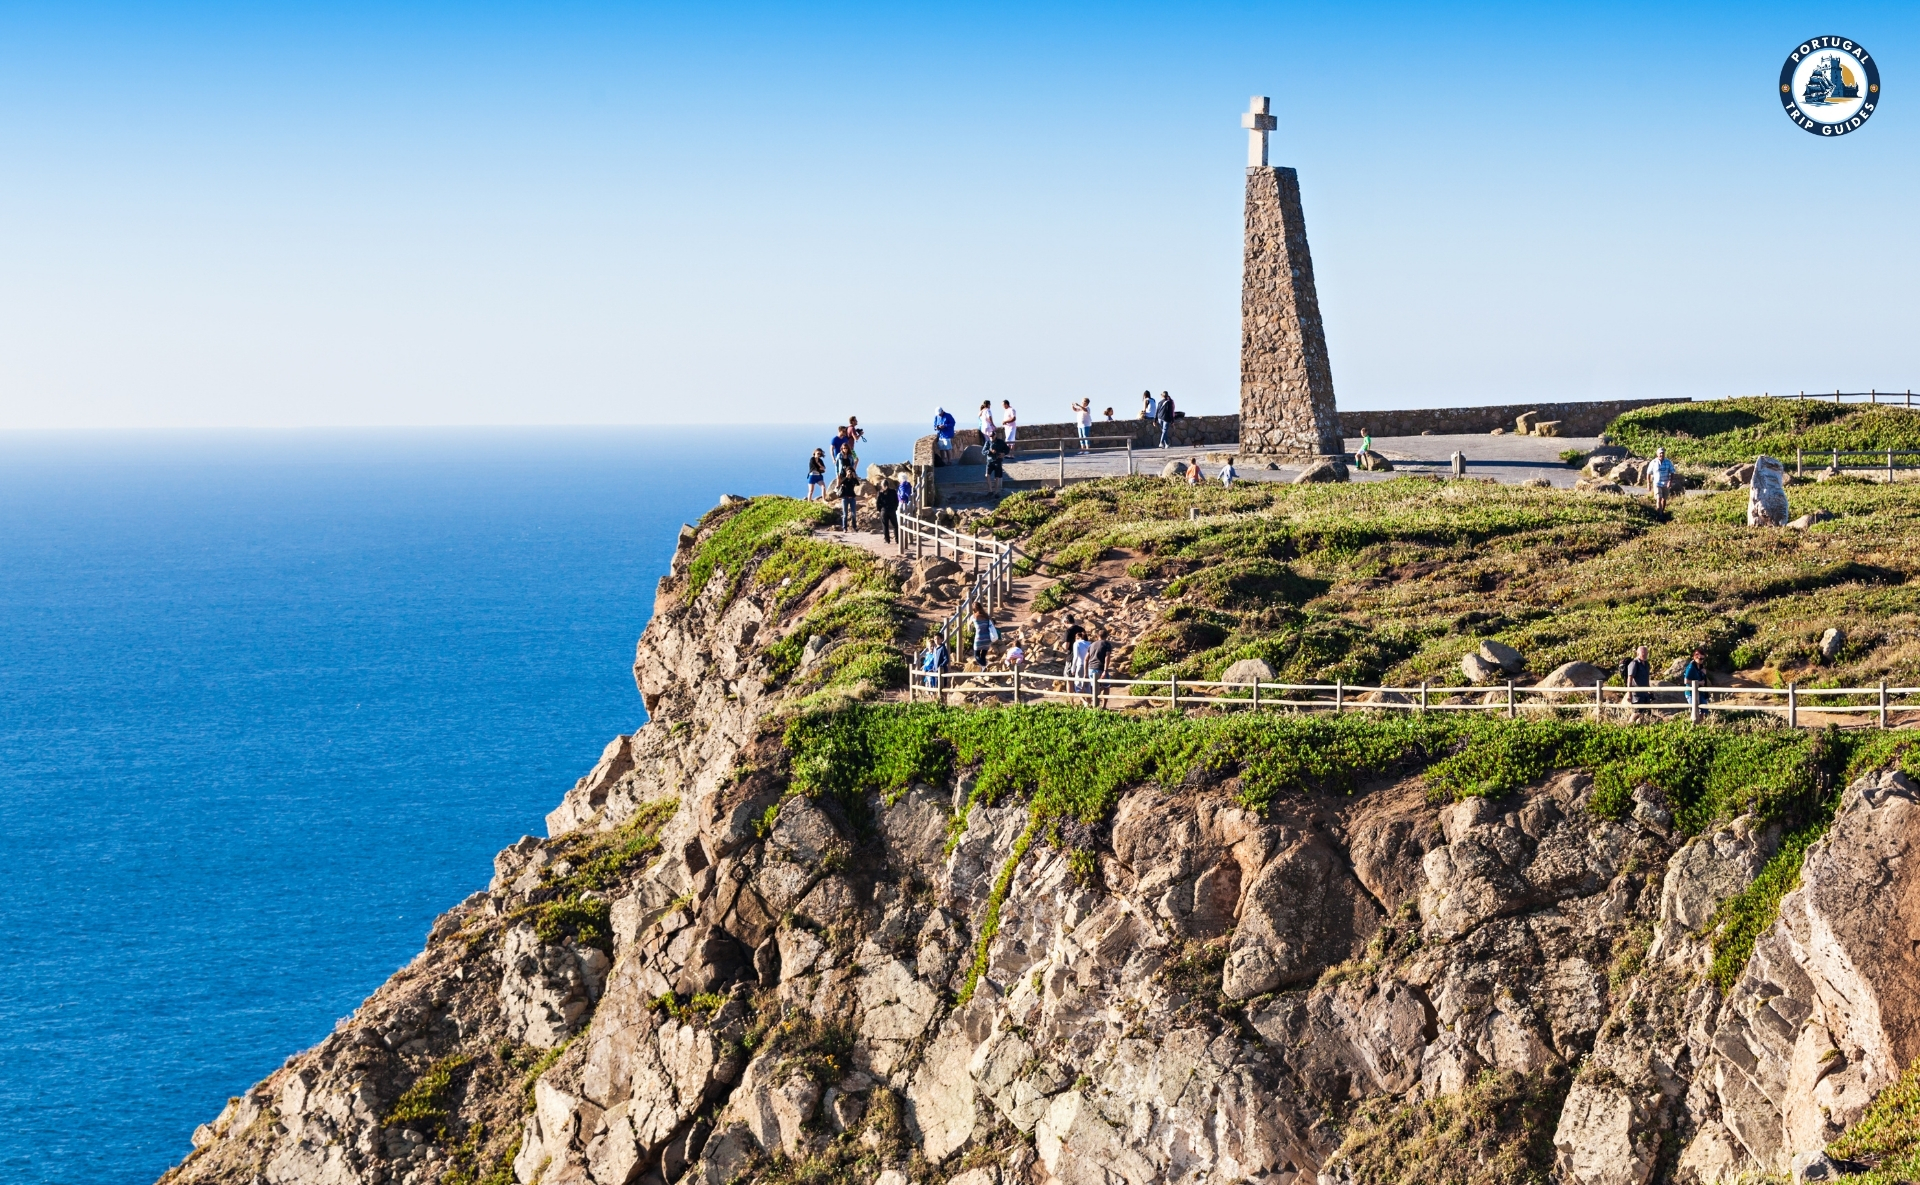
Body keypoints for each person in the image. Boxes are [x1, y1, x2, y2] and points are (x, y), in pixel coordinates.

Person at [1085, 629, 1111, 706]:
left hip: (1091, 668)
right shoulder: (1107, 644)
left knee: (1095, 688)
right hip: (1100, 668)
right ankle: (1104, 706)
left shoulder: (1091, 645)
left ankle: (1095, 705)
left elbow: (1086, 659)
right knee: (1106, 687)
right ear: (1106, 636)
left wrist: (1085, 672)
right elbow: (1107, 657)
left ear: (1097, 636)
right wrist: (1105, 670)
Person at [969, 602, 997, 668]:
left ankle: (984, 666)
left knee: (976, 655)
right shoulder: (987, 616)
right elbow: (992, 623)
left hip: (979, 638)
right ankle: (983, 670)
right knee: (983, 656)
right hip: (988, 638)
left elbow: (969, 624)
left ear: (973, 609)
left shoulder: (973, 616)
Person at [1652, 447, 1676, 512]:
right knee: (1658, 498)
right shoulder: (1653, 462)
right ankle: (1659, 513)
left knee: (1664, 499)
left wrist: (1670, 481)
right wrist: (1648, 483)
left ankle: (1662, 511)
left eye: (1663, 453)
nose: (1661, 454)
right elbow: (1648, 472)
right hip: (1657, 483)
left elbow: (1672, 472)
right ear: (1657, 454)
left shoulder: (1668, 462)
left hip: (1665, 483)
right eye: (1660, 453)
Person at [836, 467, 859, 532]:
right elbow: (841, 483)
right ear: (846, 472)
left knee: (853, 514)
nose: (850, 473)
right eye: (849, 471)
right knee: (845, 514)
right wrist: (846, 476)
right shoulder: (844, 479)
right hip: (845, 498)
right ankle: (844, 528)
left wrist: (854, 477)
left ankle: (854, 527)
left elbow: (857, 484)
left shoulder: (853, 480)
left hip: (852, 498)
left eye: (851, 471)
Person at [876, 479, 899, 543]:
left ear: (882, 485)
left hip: (884, 511)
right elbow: (896, 501)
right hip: (892, 510)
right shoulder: (893, 491)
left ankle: (887, 540)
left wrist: (880, 510)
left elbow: (877, 503)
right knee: (895, 525)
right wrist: (895, 508)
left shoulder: (880, 493)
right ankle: (897, 539)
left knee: (885, 526)